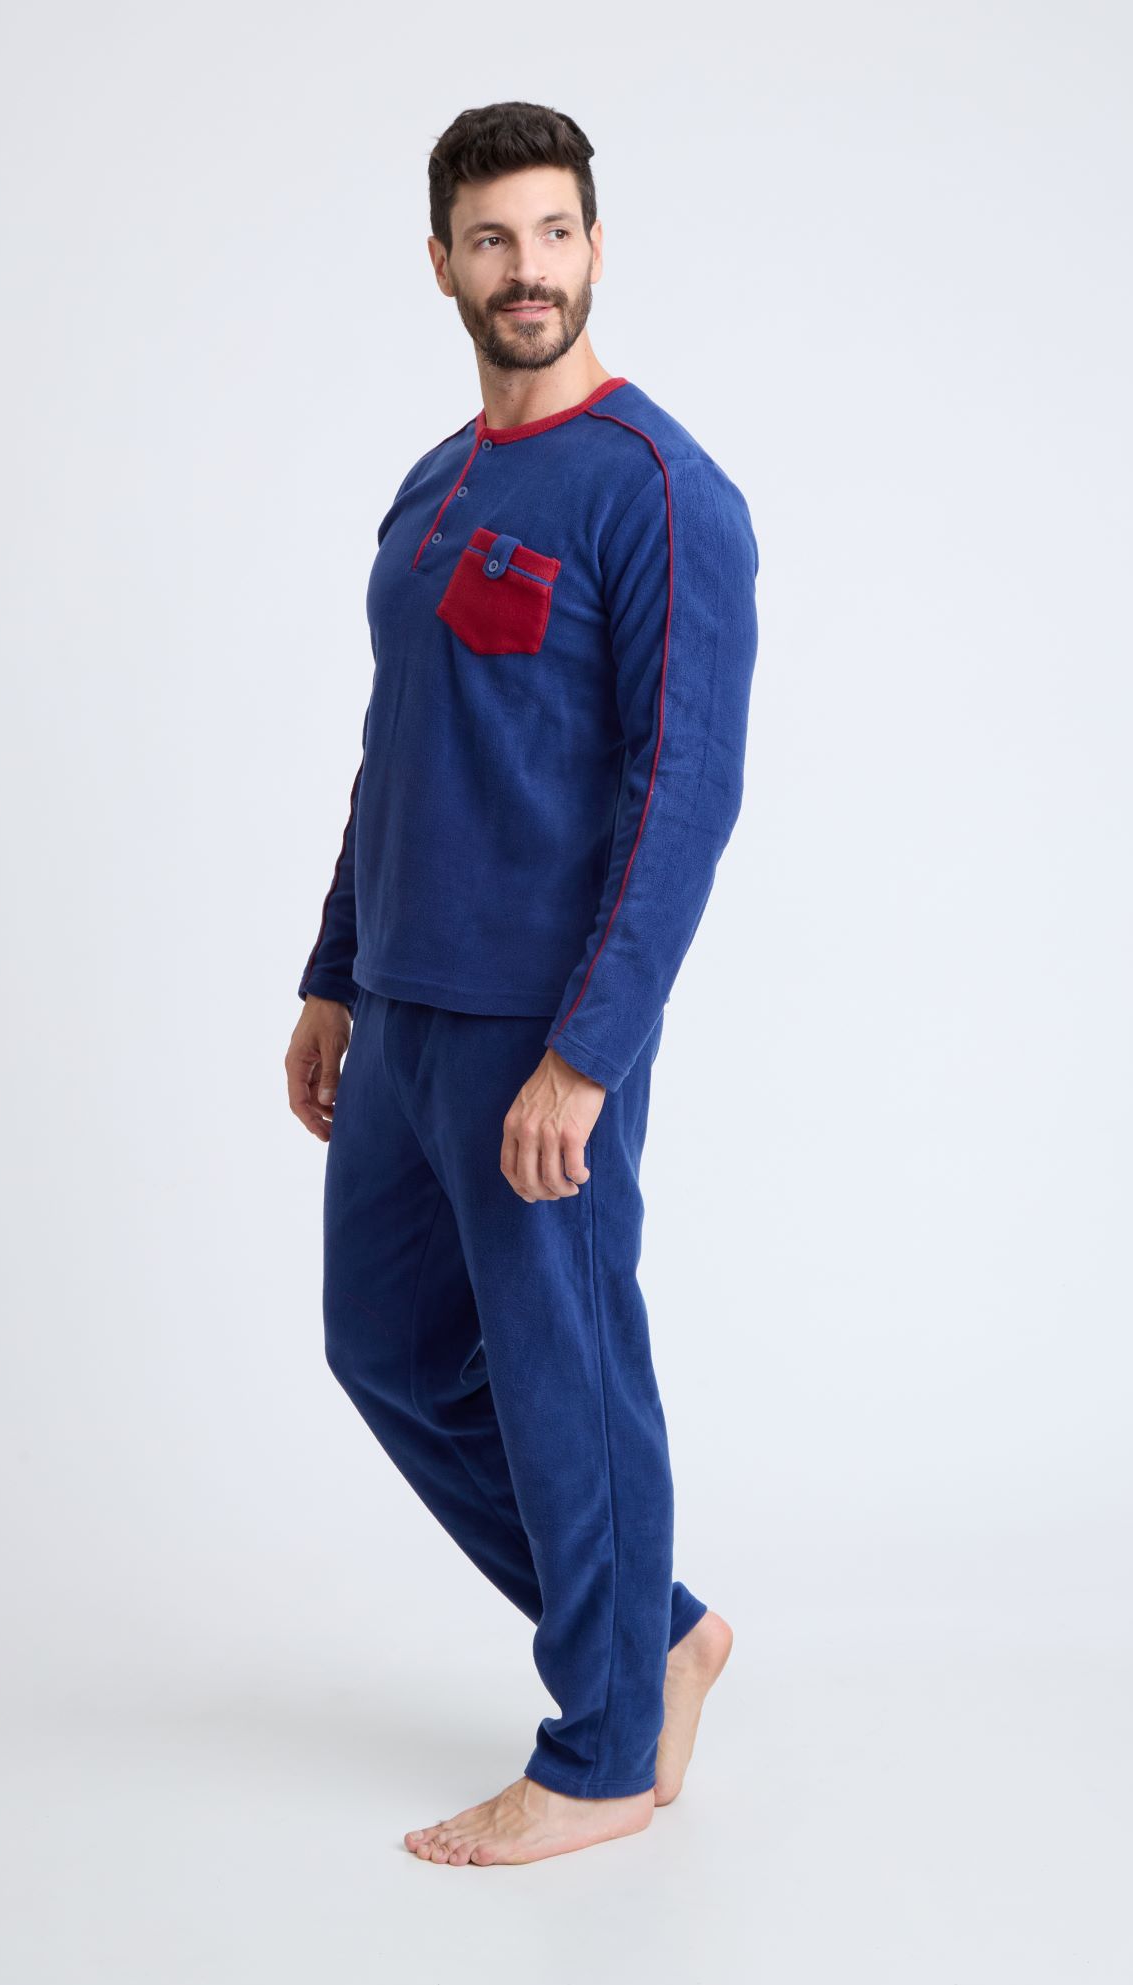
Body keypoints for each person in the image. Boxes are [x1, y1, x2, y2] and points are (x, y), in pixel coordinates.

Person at [286, 100, 759, 1867]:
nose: (526, 267)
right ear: (442, 265)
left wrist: (588, 1051)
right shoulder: (435, 485)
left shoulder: (659, 491)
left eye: (554, 232)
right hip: (401, 1008)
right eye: (491, 238)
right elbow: (395, 746)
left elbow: (682, 794)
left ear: (596, 249)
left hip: (534, 1033)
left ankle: (602, 1754)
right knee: (384, 1350)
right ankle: (656, 1632)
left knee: (567, 1377)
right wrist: (333, 972)